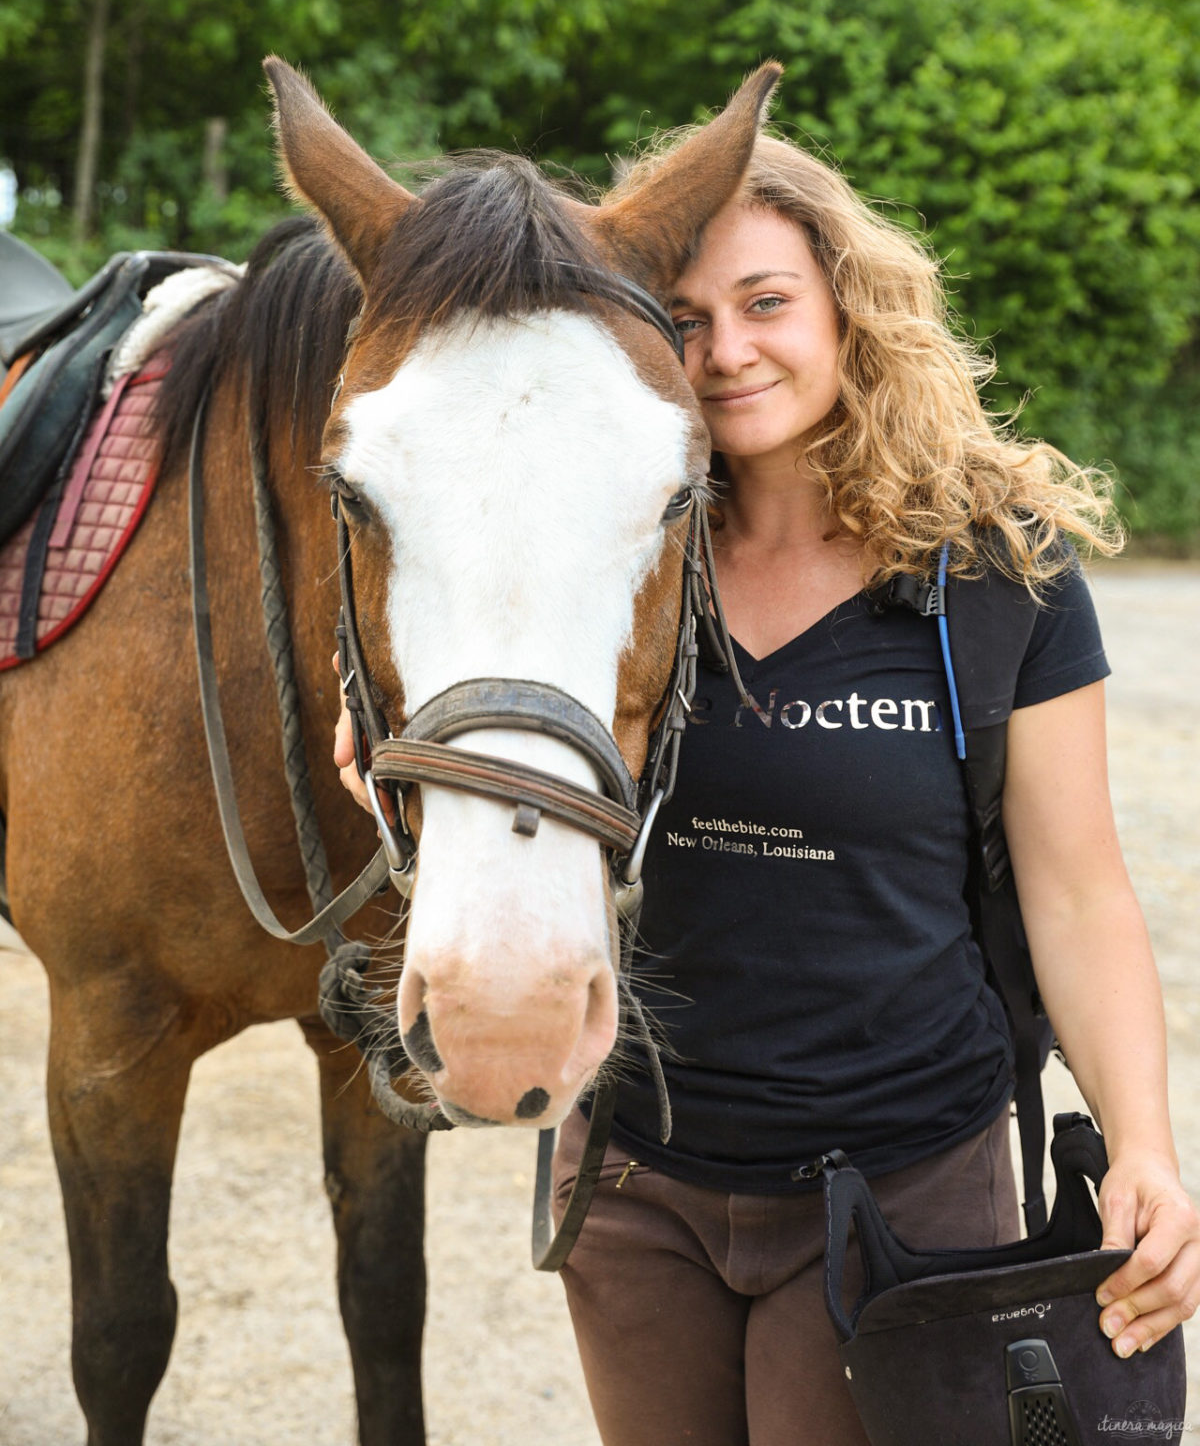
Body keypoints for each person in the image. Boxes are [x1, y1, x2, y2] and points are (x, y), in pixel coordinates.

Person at [334, 129, 1200, 1446]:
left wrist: (1145, 1143)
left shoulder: (995, 574)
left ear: (848, 310)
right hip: (638, 1183)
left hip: (902, 1191)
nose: (729, 349)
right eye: (687, 318)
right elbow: (482, 735)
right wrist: (389, 762)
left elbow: (1080, 895)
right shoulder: (612, 558)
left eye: (768, 303)